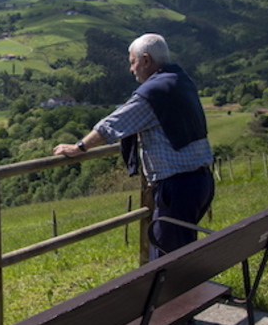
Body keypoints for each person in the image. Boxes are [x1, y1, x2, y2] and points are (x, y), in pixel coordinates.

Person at [53, 33, 214, 260]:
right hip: (201, 181)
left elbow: (113, 125)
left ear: (146, 60)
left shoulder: (153, 94)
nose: (131, 69)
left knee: (166, 259)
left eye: (133, 62)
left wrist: (78, 147)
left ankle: (172, 295)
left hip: (177, 188)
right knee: (180, 250)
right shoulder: (181, 80)